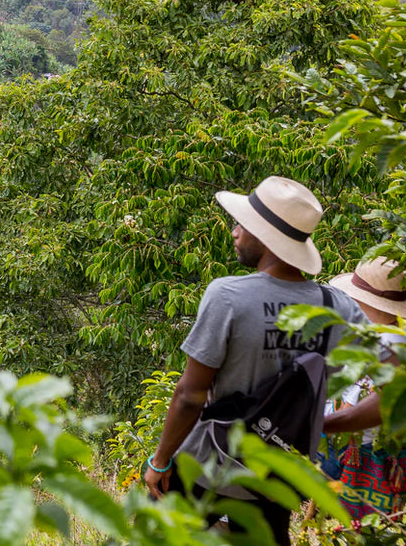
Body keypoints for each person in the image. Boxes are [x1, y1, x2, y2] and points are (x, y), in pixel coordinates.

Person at [143, 176, 365, 546]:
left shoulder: (227, 295)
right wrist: (323, 425)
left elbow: (190, 395)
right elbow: (394, 390)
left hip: (206, 464)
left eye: (242, 224)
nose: (234, 232)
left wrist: (161, 460)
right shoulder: (339, 308)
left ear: (265, 237)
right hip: (276, 474)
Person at [320, 256, 406, 522]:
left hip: (354, 446)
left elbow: (359, 406)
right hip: (375, 443)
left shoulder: (386, 344)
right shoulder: (399, 336)